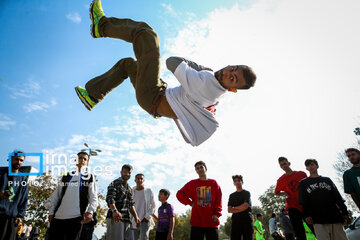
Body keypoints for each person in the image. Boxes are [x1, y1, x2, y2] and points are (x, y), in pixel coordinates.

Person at [75, 0, 257, 147]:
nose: (227, 73)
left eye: (232, 79)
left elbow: (172, 62)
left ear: (233, 89)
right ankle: (92, 95)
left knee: (147, 36)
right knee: (128, 65)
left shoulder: (207, 83)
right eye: (232, 69)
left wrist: (201, 68)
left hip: (153, 95)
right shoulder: (215, 94)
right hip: (157, 97)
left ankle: (102, 26)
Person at [48, 151, 98, 240]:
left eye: (84, 159)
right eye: (80, 158)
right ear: (76, 160)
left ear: (87, 163)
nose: (82, 160)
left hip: (76, 218)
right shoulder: (66, 176)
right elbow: (56, 195)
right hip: (58, 218)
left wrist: (90, 211)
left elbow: (93, 197)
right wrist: (51, 212)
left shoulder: (89, 177)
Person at [298, 159, 350, 240]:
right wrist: (306, 215)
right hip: (317, 219)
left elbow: (337, 197)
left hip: (334, 216)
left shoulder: (327, 180)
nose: (310, 166)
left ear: (317, 166)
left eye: (312, 164)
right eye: (308, 165)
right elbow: (303, 200)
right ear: (306, 168)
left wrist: (345, 212)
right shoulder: (303, 183)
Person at [176, 161, 222, 240]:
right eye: (197, 168)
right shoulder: (192, 183)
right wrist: (190, 202)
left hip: (211, 221)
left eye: (201, 167)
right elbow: (179, 194)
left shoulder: (213, 183)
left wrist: (216, 214)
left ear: (205, 168)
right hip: (197, 221)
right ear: (196, 171)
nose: (199, 169)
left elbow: (219, 199)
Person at [274, 156, 309, 240]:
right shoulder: (281, 180)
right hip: (292, 206)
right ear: (280, 167)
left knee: (314, 227)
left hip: (305, 204)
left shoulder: (301, 174)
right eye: (281, 165)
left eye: (285, 163)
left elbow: (308, 187)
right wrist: (285, 193)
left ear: (289, 163)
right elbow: (276, 192)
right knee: (299, 231)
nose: (284, 166)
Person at [106, 164, 141, 240]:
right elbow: (110, 198)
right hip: (115, 218)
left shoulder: (130, 188)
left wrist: (136, 217)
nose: (127, 174)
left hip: (127, 220)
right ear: (121, 172)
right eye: (125, 172)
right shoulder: (115, 183)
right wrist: (114, 211)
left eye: (129, 172)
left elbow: (131, 204)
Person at [0, 150, 28, 240]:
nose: (18, 162)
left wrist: (20, 216)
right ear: (10, 159)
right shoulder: (1, 172)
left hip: (12, 220)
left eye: (21, 160)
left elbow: (24, 199)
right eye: (16, 159)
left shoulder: (23, 178)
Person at [131, 173, 156, 240]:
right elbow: (129, 205)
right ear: (135, 180)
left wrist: (147, 217)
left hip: (144, 220)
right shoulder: (132, 190)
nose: (140, 180)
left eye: (141, 178)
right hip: (134, 221)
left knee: (144, 238)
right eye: (138, 178)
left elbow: (153, 206)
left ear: (144, 180)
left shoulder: (148, 191)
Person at [227, 175, 253, 240]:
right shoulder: (232, 195)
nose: (237, 182)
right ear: (234, 183)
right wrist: (241, 208)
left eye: (239, 181)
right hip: (236, 221)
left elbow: (245, 206)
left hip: (246, 220)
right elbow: (229, 210)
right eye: (235, 181)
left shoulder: (246, 193)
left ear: (242, 182)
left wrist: (234, 208)